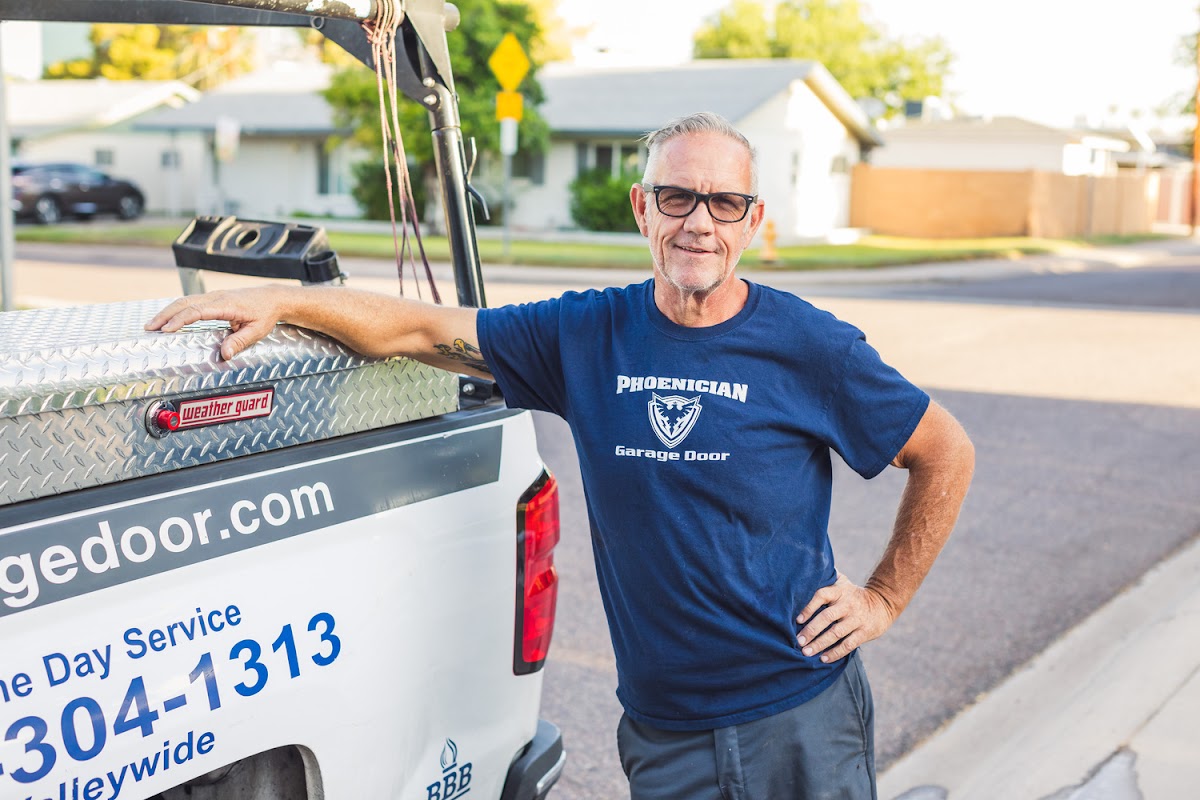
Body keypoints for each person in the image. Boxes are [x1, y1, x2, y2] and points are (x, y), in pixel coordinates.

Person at [148, 111, 974, 799]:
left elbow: (945, 450)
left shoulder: (807, 345)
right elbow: (421, 329)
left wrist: (883, 599)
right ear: (641, 208)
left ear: (753, 222)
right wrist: (291, 299)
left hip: (800, 714)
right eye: (678, 196)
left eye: (725, 203)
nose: (699, 222)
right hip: (665, 730)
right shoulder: (585, 335)